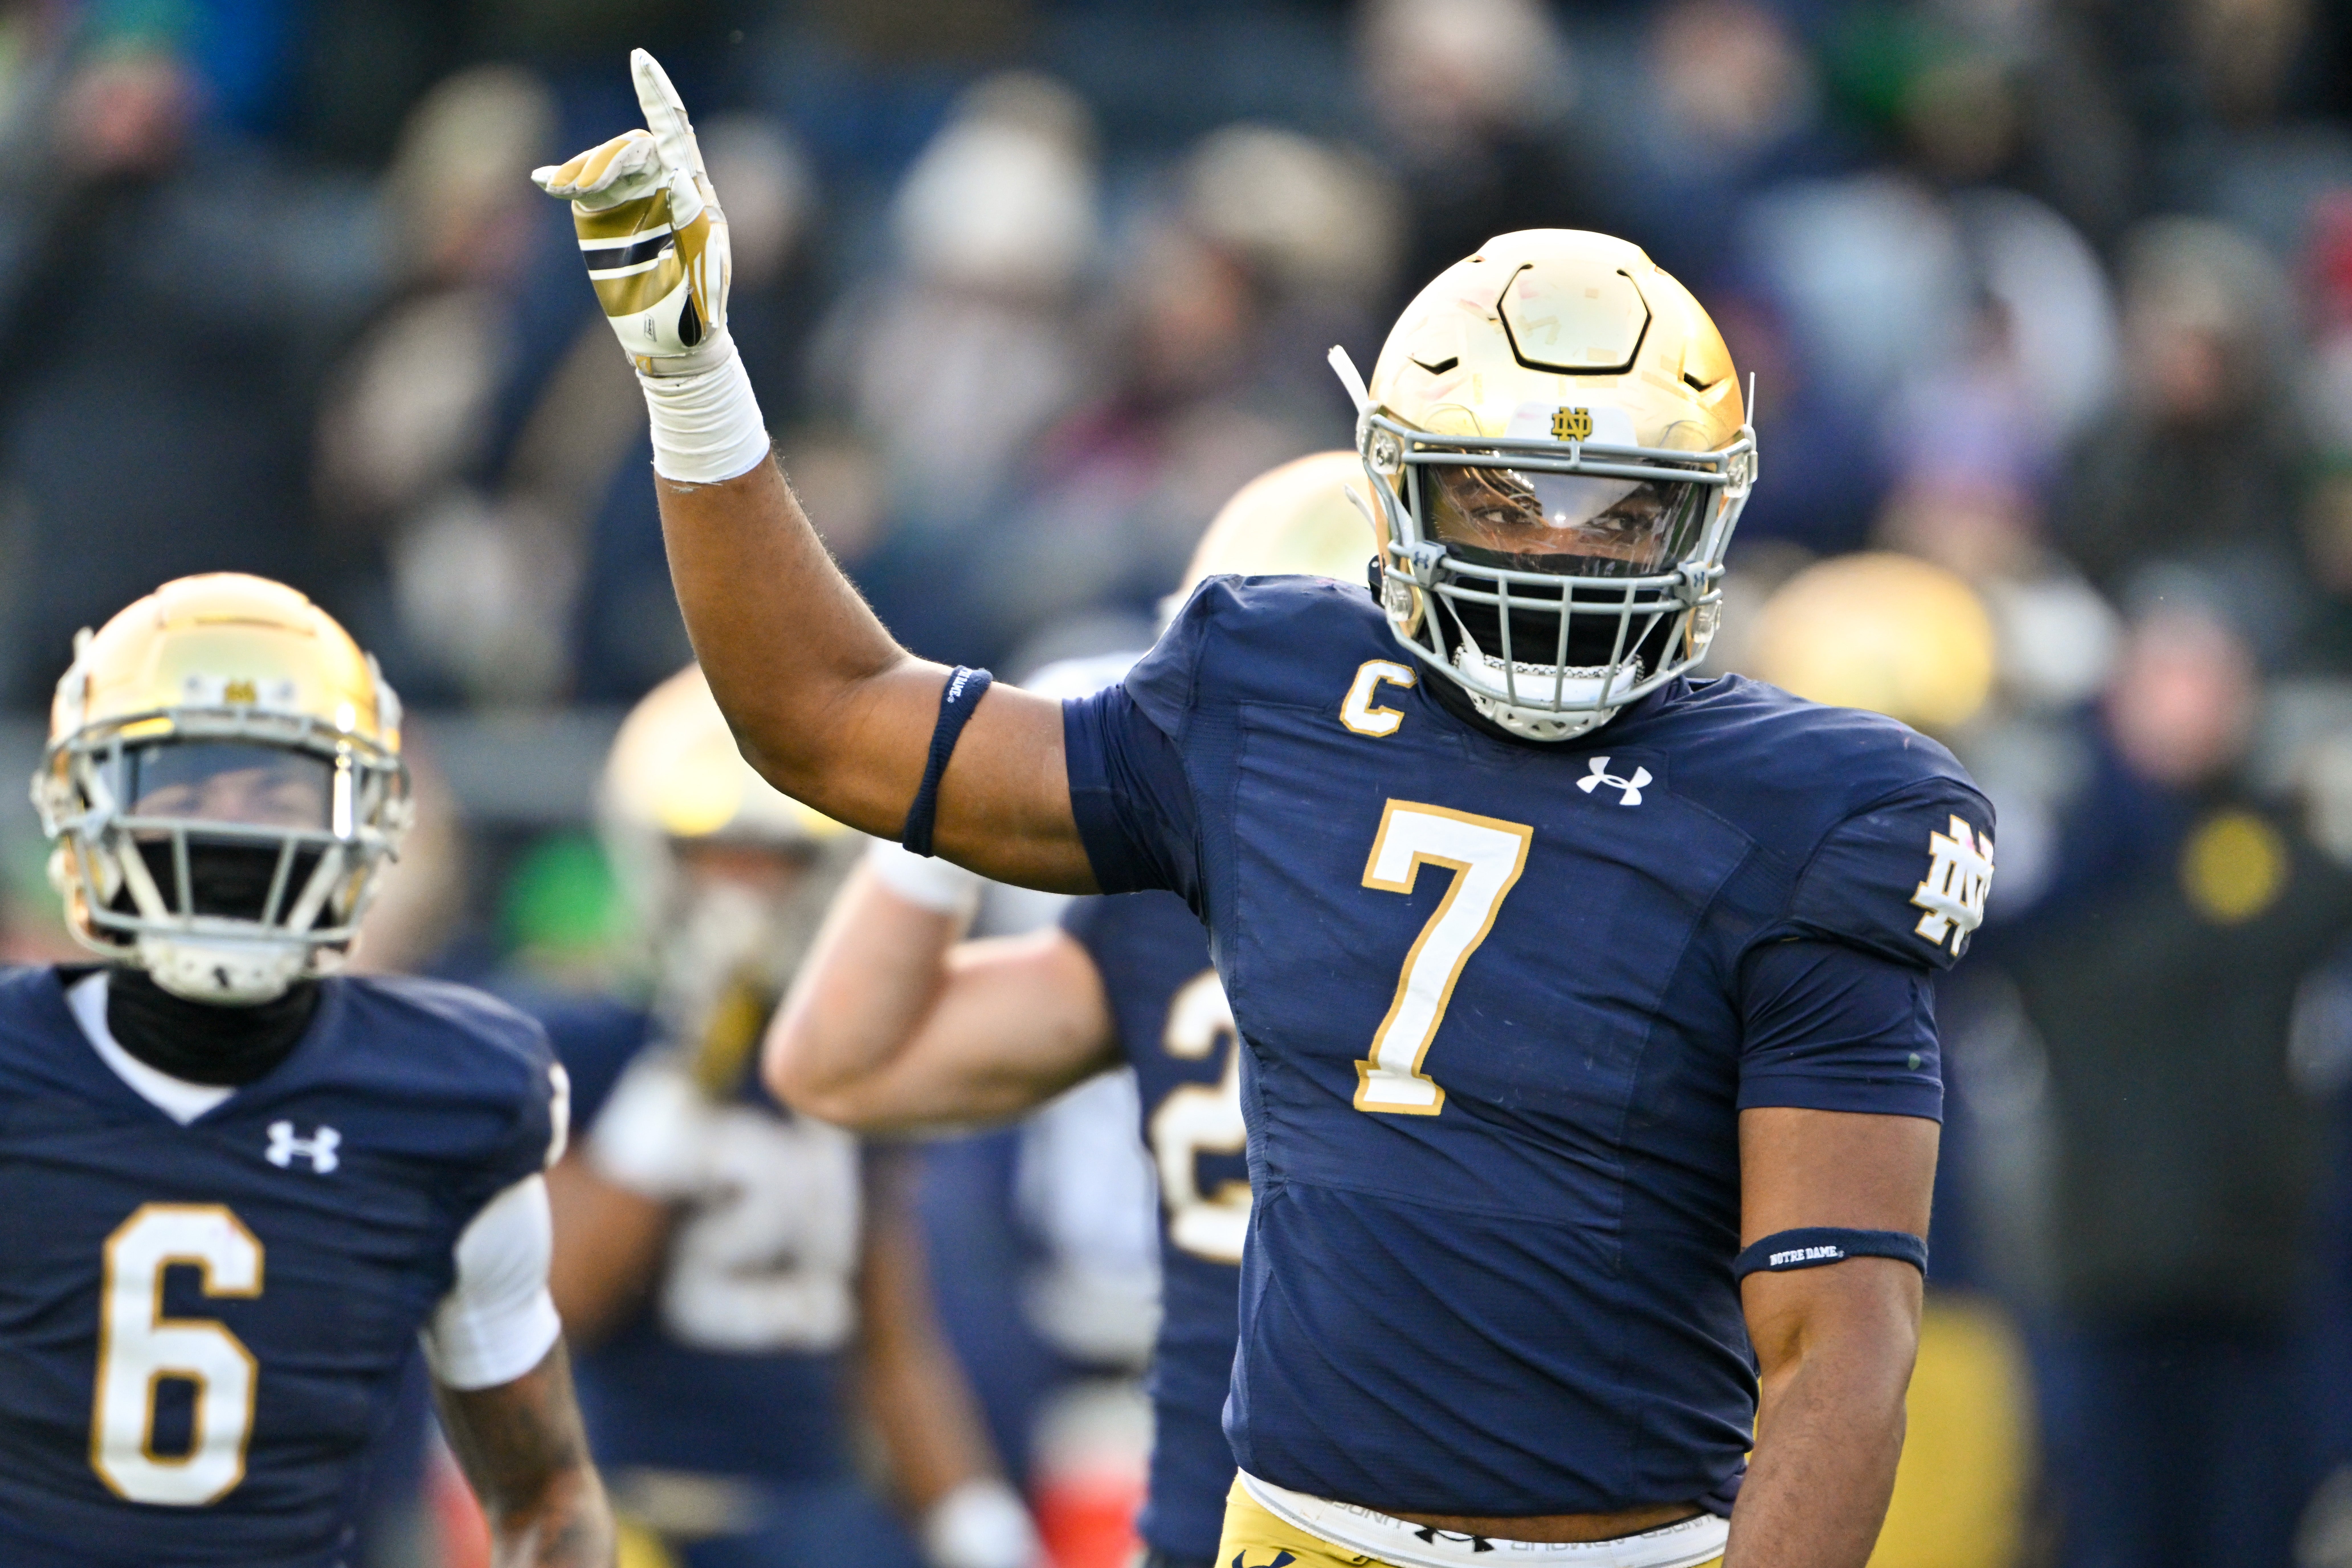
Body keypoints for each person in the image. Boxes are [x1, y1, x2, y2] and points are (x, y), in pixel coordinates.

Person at [535, 55, 1995, 1567]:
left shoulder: (1827, 804)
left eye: (1623, 510)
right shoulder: (1269, 683)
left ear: (1711, 515)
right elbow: (831, 720)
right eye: (1501, 499)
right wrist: (692, 376)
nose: (1556, 561)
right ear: (1398, 492)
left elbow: (1841, 1346)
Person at [765, 450, 1379, 1568]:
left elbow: (842, 1063)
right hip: (1246, 1497)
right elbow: (841, 1064)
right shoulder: (1165, 898)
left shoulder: (1174, 892)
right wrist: (967, 799)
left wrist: (960, 776)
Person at [0, 573, 612, 1567]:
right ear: (87, 808)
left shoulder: (447, 1104)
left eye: (275, 789)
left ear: (363, 820)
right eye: (189, 785)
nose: (232, 826)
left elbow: (545, 1498)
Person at [536, 666, 1039, 1568]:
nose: (744, 890)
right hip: (638, 1503)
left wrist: (981, 1529)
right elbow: (559, 1298)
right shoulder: (594, 1047)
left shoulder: (833, 1054)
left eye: (773, 860)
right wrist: (689, 1069)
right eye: (715, 856)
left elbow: (892, 1337)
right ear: (656, 859)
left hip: (813, 1515)